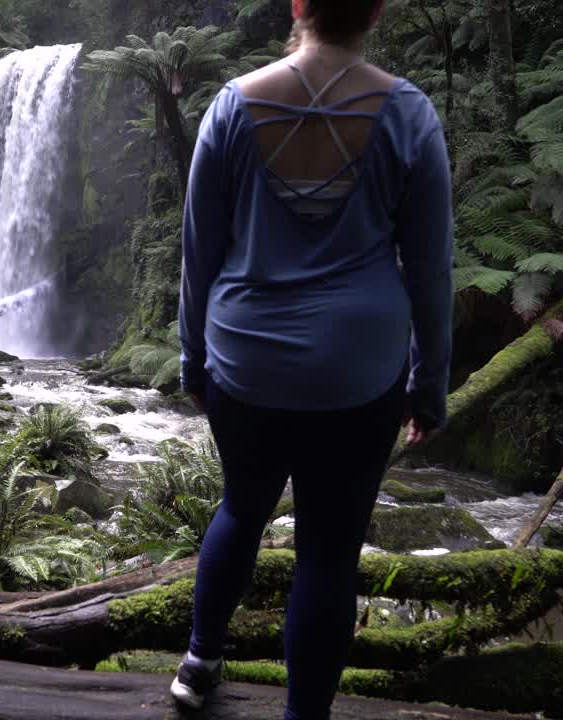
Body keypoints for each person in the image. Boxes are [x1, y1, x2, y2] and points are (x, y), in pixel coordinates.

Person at [170, 0, 454, 717]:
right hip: (360, 373)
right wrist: (431, 383)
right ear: (376, 12)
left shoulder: (233, 107)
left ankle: (200, 659)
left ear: (298, 7)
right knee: (329, 552)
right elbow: (430, 268)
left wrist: (191, 360)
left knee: (241, 506)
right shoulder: (409, 114)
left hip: (247, 361)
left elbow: (199, 250)